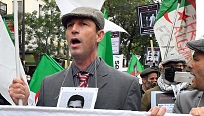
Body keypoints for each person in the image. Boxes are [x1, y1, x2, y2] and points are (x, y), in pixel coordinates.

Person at [8, 7, 141, 110]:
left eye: (83, 24)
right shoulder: (48, 85)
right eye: (70, 25)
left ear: (99, 36)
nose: (74, 30)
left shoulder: (126, 85)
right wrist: (23, 104)